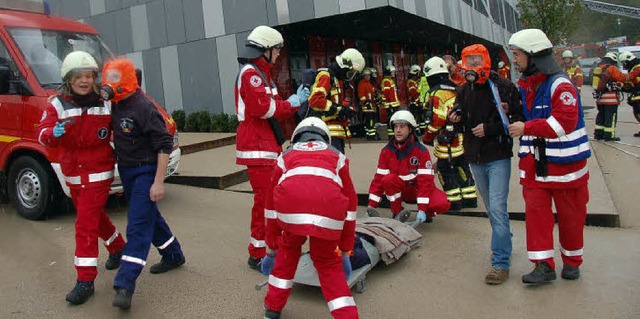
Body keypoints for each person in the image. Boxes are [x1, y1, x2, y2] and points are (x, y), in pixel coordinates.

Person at [38, 51, 126, 305]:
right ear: (69, 79)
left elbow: (120, 129)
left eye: (89, 76)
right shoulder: (56, 104)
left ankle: (85, 280)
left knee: (84, 225)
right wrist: (52, 133)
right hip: (73, 173)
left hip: (98, 171)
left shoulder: (105, 102)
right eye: (79, 76)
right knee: (94, 217)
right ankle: (118, 247)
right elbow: (42, 133)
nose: (85, 81)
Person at [507, 29, 591, 285]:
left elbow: (563, 123)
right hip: (536, 165)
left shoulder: (561, 85)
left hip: (566, 166)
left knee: (571, 218)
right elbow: (530, 113)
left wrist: (526, 128)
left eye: (518, 54)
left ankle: (572, 262)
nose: (515, 60)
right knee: (537, 216)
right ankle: (543, 265)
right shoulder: (527, 83)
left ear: (533, 56)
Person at [101, 58, 186, 309]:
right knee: (150, 217)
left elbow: (164, 144)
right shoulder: (116, 103)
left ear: (127, 81)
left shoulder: (144, 107)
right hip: (127, 171)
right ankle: (173, 255)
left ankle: (125, 283)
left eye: (114, 80)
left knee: (137, 226)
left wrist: (158, 181)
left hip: (145, 171)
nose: (109, 86)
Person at [261, 117, 359, 319]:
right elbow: (350, 208)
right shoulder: (338, 157)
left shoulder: (285, 156)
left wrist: (271, 246)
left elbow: (270, 204)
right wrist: (345, 249)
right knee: (328, 265)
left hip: (291, 212)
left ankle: (272, 309)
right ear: (326, 137)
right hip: (328, 211)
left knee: (287, 253)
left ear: (297, 136)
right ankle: (347, 316)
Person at [234, 25, 309, 271]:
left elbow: (273, 105)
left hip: (264, 144)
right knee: (266, 202)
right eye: (276, 50)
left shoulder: (260, 74)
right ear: (265, 50)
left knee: (270, 200)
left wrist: (292, 104)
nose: (278, 55)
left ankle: (267, 247)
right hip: (258, 145)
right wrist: (290, 103)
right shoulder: (251, 74)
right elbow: (263, 109)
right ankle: (258, 253)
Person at [449, 44, 525, 284]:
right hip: (475, 156)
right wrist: (456, 117)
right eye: (467, 62)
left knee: (497, 208)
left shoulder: (503, 87)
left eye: (475, 61)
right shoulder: (463, 90)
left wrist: (490, 128)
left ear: (485, 62)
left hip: (498, 155)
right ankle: (504, 242)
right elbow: (460, 114)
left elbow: (519, 119)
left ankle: (500, 262)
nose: (471, 67)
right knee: (492, 208)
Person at [367, 110, 450, 223]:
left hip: (417, 189)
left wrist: (422, 208)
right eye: (395, 127)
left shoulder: (421, 152)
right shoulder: (386, 151)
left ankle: (427, 212)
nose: (398, 130)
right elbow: (378, 180)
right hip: (400, 189)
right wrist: (371, 206)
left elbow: (425, 182)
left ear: (410, 129)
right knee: (388, 179)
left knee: (441, 203)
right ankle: (397, 212)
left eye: (402, 127)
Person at [422, 56, 478, 211]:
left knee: (445, 168)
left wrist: (428, 136)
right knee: (462, 165)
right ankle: (470, 198)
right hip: (459, 137)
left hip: (446, 140)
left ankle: (454, 202)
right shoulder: (455, 88)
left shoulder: (437, 94)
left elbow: (437, 119)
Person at [308, 48, 365, 153]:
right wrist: (340, 109)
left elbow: (334, 102)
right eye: (351, 73)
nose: (350, 76)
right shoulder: (326, 76)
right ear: (345, 66)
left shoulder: (336, 78)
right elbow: (315, 100)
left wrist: (346, 109)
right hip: (326, 133)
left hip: (334, 134)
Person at [592, 52, 627, 141]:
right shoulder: (612, 68)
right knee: (610, 117)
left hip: (600, 99)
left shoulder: (598, 69)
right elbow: (621, 78)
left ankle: (598, 134)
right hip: (611, 99)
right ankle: (609, 135)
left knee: (601, 116)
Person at [619, 51, 640, 137]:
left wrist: (620, 78)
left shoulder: (638, 67)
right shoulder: (632, 67)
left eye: (625, 62)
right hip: (636, 93)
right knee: (637, 113)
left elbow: (632, 76)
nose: (624, 65)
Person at [358, 68, 379, 140]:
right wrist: (366, 102)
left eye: (369, 76)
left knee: (372, 121)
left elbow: (372, 93)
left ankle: (371, 134)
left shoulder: (370, 84)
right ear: (363, 76)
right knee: (370, 121)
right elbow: (361, 95)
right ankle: (371, 136)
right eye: (366, 76)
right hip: (367, 106)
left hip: (372, 105)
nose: (368, 77)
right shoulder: (362, 84)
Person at [381, 64, 401, 138]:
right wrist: (387, 102)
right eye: (392, 72)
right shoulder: (386, 81)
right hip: (390, 104)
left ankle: (393, 134)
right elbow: (386, 93)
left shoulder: (390, 80)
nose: (393, 73)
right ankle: (391, 135)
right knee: (391, 119)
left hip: (393, 104)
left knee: (394, 119)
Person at [406, 65, 423, 134]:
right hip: (414, 103)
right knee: (415, 117)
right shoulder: (411, 82)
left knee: (420, 117)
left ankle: (422, 130)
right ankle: (416, 131)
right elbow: (413, 93)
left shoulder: (416, 82)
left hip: (418, 103)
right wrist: (418, 99)